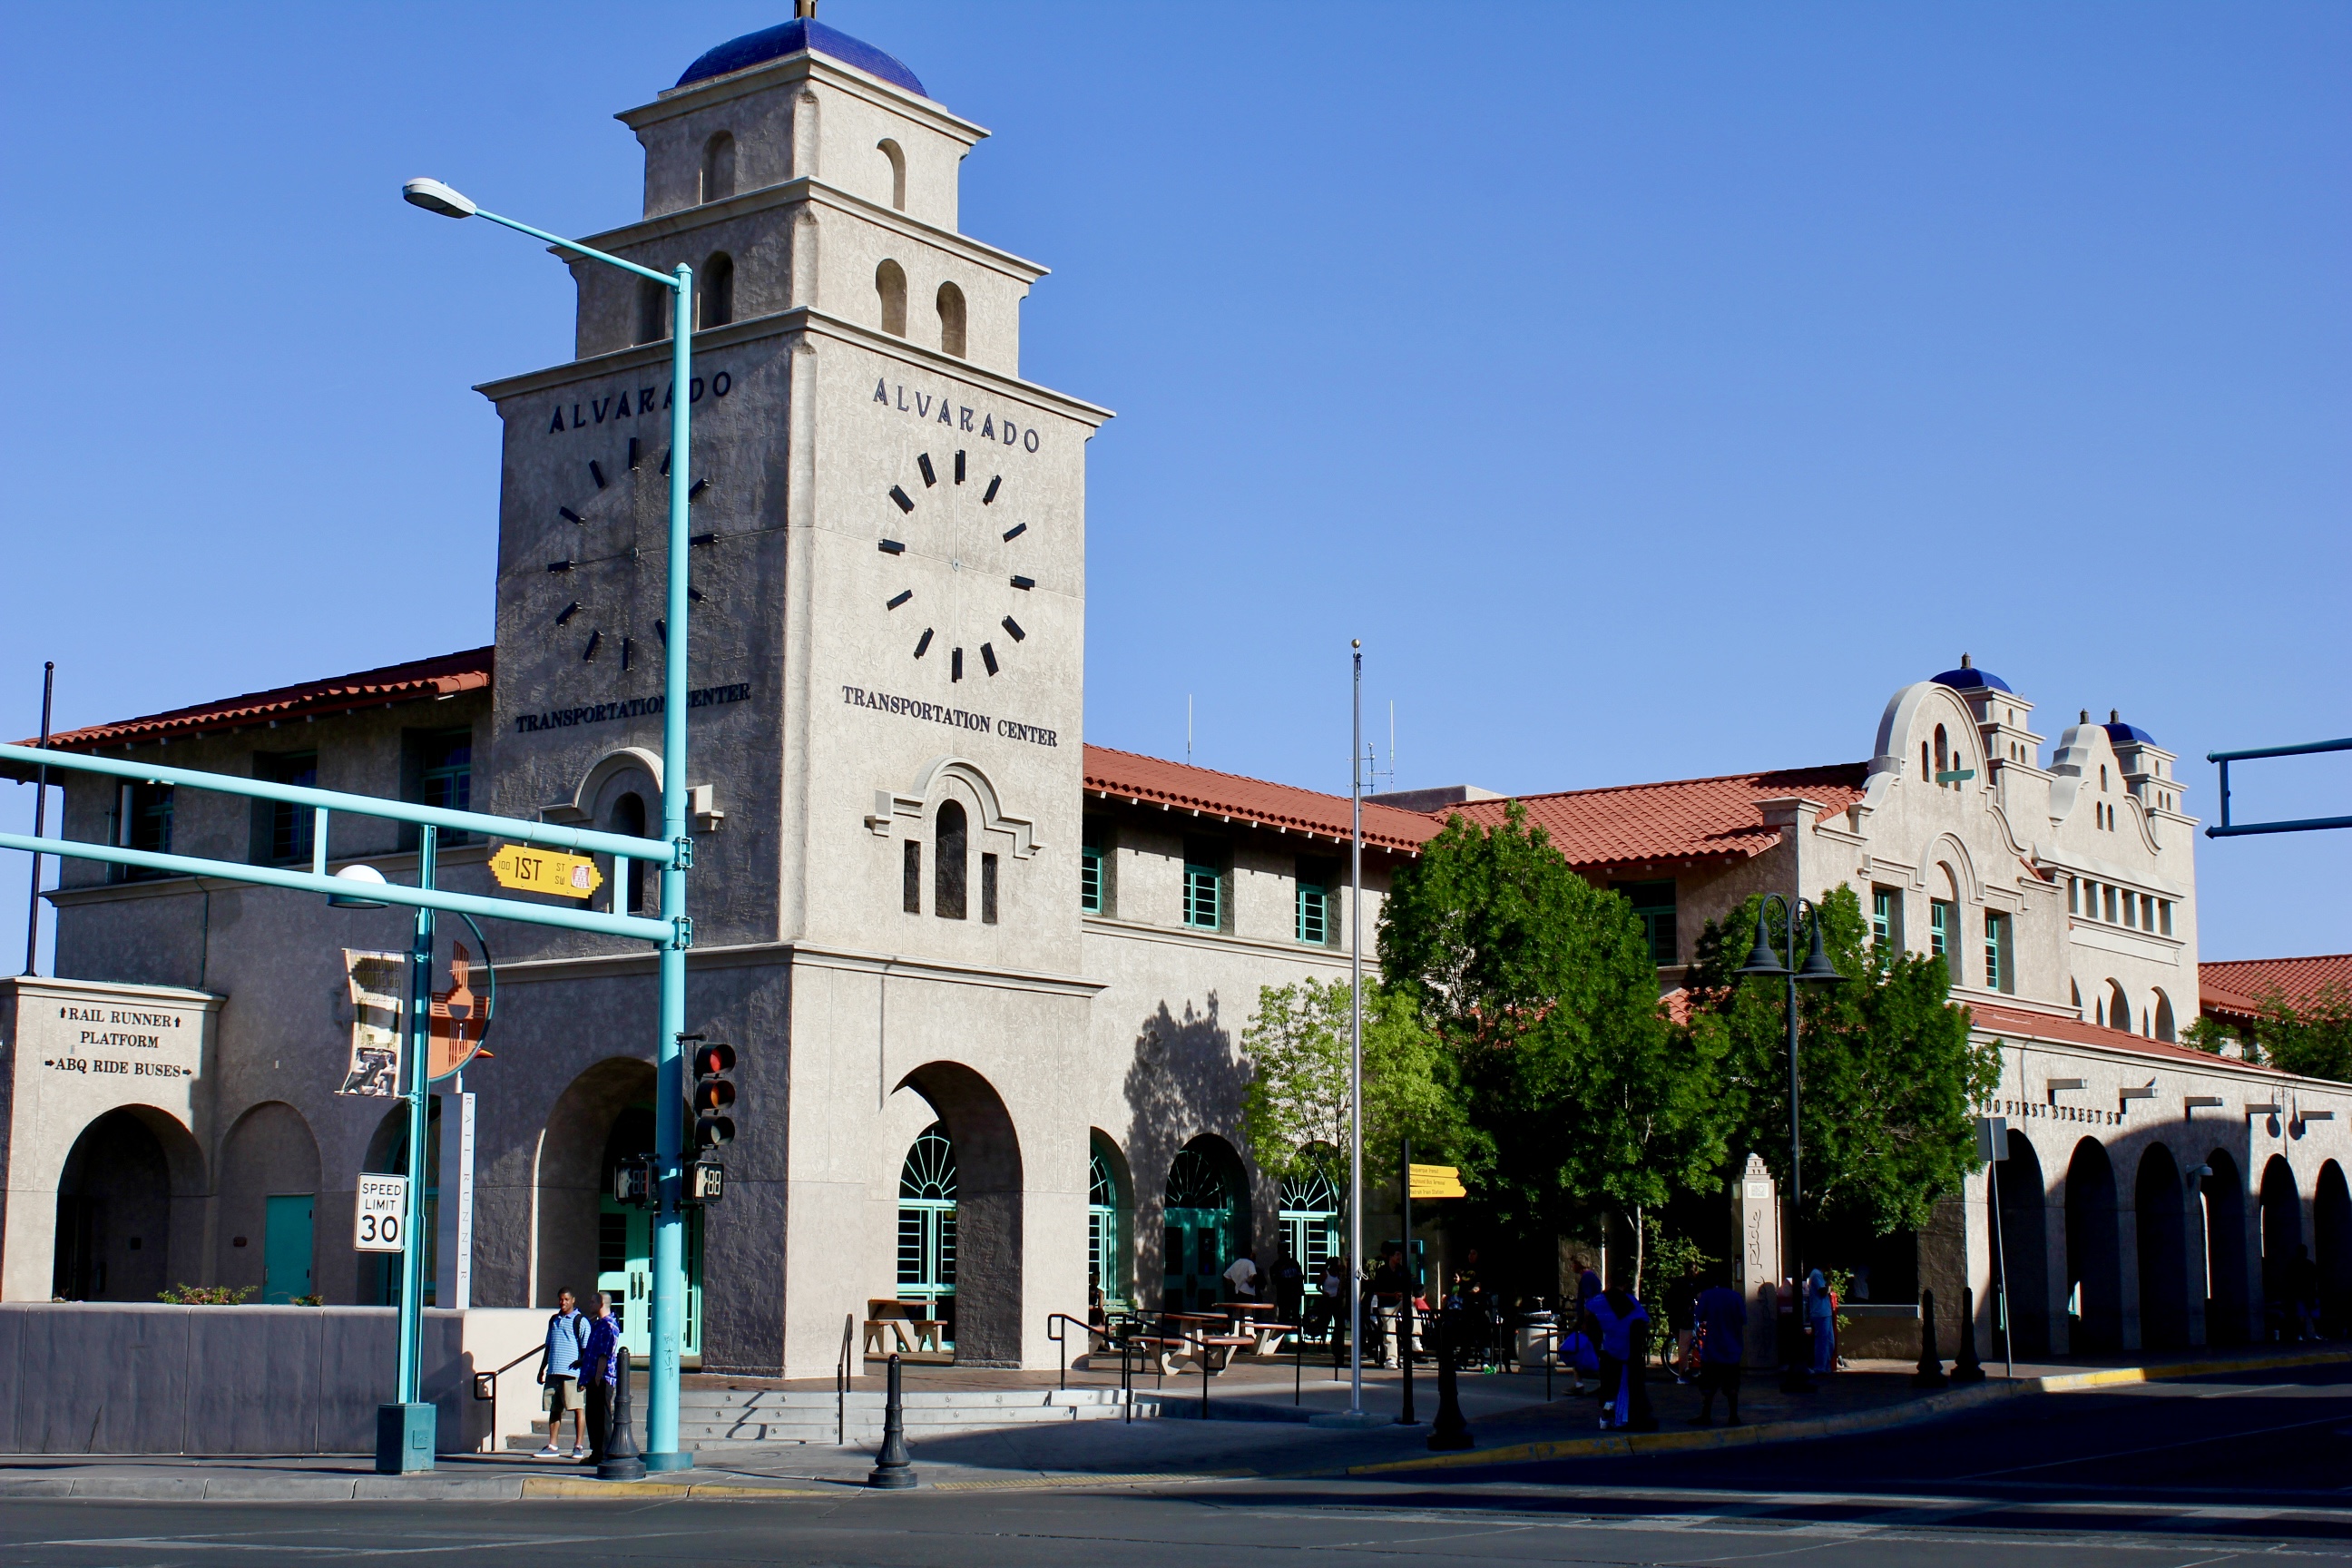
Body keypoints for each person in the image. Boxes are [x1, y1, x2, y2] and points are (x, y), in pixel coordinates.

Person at [1586, 1283, 1650, 1429]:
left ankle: (1606, 1415)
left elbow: (1588, 1315)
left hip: (1609, 1347)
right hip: (1630, 1350)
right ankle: (1624, 1416)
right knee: (1629, 1384)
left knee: (1608, 1382)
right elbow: (1644, 1321)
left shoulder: (1598, 1301)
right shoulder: (1630, 1301)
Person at [534, 1288, 589, 1459]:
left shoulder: (580, 1321)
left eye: (566, 1299)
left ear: (573, 1300)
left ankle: (578, 1445)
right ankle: (552, 1445)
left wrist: (584, 1375)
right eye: (560, 1299)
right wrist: (542, 1368)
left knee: (578, 1408)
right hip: (554, 1372)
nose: (563, 1302)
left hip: (572, 1373)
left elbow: (586, 1350)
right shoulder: (554, 1320)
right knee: (554, 1409)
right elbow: (548, 1346)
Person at [1690, 1270, 1748, 1426]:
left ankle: (1706, 1415)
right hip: (1732, 1349)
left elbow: (1699, 1315)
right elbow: (1743, 1319)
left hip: (1713, 1348)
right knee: (1732, 1384)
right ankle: (1733, 1416)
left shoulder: (1708, 1296)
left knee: (1709, 1384)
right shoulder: (1736, 1297)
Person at [579, 1291, 622, 1465]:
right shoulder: (597, 1324)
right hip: (593, 1377)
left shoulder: (608, 1326)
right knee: (593, 1416)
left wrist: (597, 1377)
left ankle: (604, 1453)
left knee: (602, 1417)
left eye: (592, 1302)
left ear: (601, 1303)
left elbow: (605, 1354)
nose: (590, 1305)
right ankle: (597, 1452)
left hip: (603, 1379)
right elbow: (594, 1351)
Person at [1806, 1268, 1837, 1375]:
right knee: (1822, 1342)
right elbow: (1823, 1291)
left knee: (1829, 1342)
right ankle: (1820, 1367)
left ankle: (1826, 1365)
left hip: (1825, 1312)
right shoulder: (1816, 1274)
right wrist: (1829, 1280)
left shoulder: (1818, 1275)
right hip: (1820, 1313)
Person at [1269, 1247, 1304, 1328]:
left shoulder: (1294, 1263)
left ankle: (1299, 1337)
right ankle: (1281, 1336)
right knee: (1283, 1316)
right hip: (1283, 1295)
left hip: (1294, 1294)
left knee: (1296, 1316)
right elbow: (1273, 1280)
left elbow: (1300, 1276)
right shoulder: (1276, 1265)